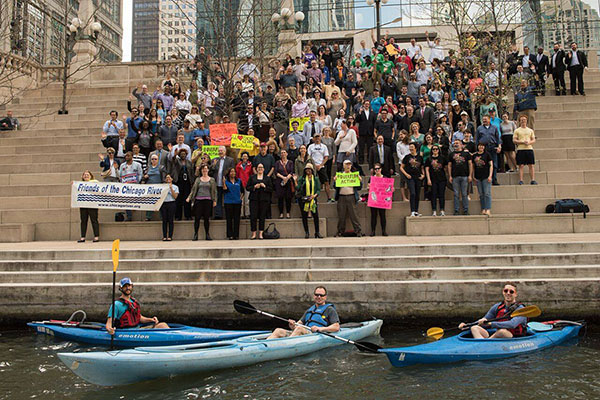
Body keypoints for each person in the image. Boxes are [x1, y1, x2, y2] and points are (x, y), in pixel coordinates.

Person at [267, 286, 340, 339]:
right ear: (314, 296)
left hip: (315, 335)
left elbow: (336, 327)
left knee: (300, 329)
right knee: (278, 330)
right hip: (303, 334)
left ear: (325, 297)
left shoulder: (330, 310)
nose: (319, 297)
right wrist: (292, 325)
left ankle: (286, 345)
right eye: (316, 295)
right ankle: (267, 346)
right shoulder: (310, 310)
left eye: (321, 295)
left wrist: (321, 329)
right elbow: (298, 324)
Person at [458, 282, 526, 339]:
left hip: (514, 338)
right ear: (503, 292)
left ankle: (484, 344)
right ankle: (482, 344)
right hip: (497, 336)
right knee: (474, 328)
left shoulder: (521, 309)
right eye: (506, 291)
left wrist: (491, 324)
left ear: (515, 294)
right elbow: (485, 319)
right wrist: (467, 326)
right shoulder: (497, 307)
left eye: (511, 292)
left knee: (502, 332)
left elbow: (512, 324)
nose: (508, 293)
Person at [333, 159, 363, 237]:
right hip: (341, 196)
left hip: (351, 196)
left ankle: (358, 231)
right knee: (341, 215)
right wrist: (335, 181)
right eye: (346, 164)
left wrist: (360, 181)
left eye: (349, 164)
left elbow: (359, 187)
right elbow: (335, 187)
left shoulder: (354, 175)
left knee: (354, 215)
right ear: (343, 166)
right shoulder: (340, 175)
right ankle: (340, 231)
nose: (348, 166)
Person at [187, 164, 217, 241]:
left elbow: (214, 191)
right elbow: (194, 189)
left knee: (206, 218)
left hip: (208, 200)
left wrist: (214, 200)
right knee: (197, 218)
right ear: (201, 171)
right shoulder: (198, 179)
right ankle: (195, 234)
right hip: (199, 200)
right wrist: (189, 197)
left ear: (208, 170)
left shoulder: (212, 180)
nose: (205, 170)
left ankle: (207, 234)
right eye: (203, 169)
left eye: (206, 169)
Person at [246, 163, 274, 240]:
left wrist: (264, 186)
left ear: (264, 169)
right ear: (256, 169)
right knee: (253, 216)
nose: (260, 169)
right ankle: (254, 233)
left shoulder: (267, 178)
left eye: (261, 167)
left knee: (262, 216)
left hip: (264, 199)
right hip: (254, 199)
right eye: (259, 167)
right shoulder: (252, 177)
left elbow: (271, 189)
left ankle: (261, 233)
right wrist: (254, 187)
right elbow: (247, 187)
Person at [297, 163, 323, 239]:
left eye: (309, 169)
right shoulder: (302, 178)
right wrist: (295, 181)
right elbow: (298, 188)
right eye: (306, 169)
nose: (308, 171)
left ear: (312, 170)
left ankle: (317, 232)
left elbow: (318, 190)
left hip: (312, 198)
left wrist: (314, 196)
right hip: (304, 199)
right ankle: (307, 232)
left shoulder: (316, 179)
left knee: (315, 216)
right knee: (304, 216)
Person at [448, 139, 473, 215]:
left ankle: (466, 210)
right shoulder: (451, 154)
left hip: (464, 176)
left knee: (464, 194)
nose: (456, 144)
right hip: (455, 176)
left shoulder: (466, 154)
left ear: (461, 144)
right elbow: (449, 166)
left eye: (457, 143)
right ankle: (456, 210)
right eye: (454, 143)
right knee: (456, 194)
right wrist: (450, 176)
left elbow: (470, 164)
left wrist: (470, 175)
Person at [210, 146, 235, 219]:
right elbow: (211, 172)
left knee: (228, 199)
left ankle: (229, 215)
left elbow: (232, 171)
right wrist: (213, 165)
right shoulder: (214, 160)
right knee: (218, 199)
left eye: (222, 151)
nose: (220, 152)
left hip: (226, 183)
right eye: (219, 151)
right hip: (217, 183)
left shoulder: (230, 160)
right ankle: (218, 215)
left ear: (225, 152)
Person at [401, 143, 424, 217]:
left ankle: (416, 211)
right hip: (410, 177)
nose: (410, 148)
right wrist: (406, 174)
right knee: (413, 193)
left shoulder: (420, 157)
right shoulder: (407, 157)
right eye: (410, 147)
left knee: (417, 194)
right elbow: (401, 167)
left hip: (418, 177)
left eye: (412, 147)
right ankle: (412, 211)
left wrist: (423, 175)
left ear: (415, 148)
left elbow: (422, 167)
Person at [119, 152, 143, 221]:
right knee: (127, 200)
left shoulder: (137, 165)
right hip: (126, 186)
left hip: (134, 185)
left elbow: (140, 174)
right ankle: (129, 216)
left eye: (128, 156)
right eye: (126, 156)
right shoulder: (122, 165)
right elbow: (120, 175)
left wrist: (137, 182)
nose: (127, 157)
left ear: (132, 156)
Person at [513, 115, 537, 185]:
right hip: (521, 149)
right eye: (522, 120)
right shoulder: (517, 130)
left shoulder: (530, 130)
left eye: (524, 120)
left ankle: (533, 179)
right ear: (520, 121)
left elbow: (533, 139)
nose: (523, 121)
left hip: (529, 149)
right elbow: (514, 140)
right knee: (521, 165)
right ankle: (521, 180)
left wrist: (529, 143)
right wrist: (522, 142)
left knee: (531, 165)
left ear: (526, 121)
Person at [77, 170, 100, 243]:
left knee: (94, 220)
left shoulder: (95, 182)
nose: (86, 176)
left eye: (87, 175)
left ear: (91, 176)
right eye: (85, 175)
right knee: (83, 221)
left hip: (92, 205)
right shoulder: (79, 184)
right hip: (83, 205)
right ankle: (82, 237)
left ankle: (96, 236)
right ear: (82, 177)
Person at [425, 145, 447, 216]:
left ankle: (442, 210)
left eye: (436, 149)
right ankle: (434, 210)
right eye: (433, 149)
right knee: (433, 195)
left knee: (442, 195)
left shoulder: (442, 158)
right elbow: (427, 169)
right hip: (433, 179)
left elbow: (446, 167)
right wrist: (428, 179)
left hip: (442, 179)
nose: (435, 150)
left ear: (438, 150)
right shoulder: (429, 159)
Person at [472, 142, 494, 216]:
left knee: (487, 193)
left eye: (482, 146)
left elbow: (491, 165)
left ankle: (488, 209)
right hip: (478, 177)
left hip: (486, 176)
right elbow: (473, 166)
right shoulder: (474, 155)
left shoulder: (487, 154)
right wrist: (473, 175)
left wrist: (490, 176)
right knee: (481, 194)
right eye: (479, 146)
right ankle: (483, 208)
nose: (481, 147)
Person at [368, 163, 388, 236]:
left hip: (382, 200)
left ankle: (384, 231)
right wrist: (369, 187)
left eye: (378, 168)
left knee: (382, 215)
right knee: (373, 215)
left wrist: (391, 189)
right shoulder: (371, 178)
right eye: (375, 169)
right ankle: (373, 231)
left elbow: (388, 189)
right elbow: (368, 188)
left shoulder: (385, 178)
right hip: (374, 199)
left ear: (381, 169)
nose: (377, 170)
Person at [223, 167, 243, 240]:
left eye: (234, 172)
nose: (233, 173)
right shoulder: (226, 181)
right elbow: (225, 190)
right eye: (231, 172)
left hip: (237, 202)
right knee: (229, 219)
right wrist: (223, 182)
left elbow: (242, 191)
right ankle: (230, 235)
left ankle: (236, 235)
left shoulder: (239, 181)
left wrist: (240, 198)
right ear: (229, 173)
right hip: (228, 202)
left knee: (236, 219)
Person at [274, 149, 295, 219]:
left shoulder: (290, 162)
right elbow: (276, 172)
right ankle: (281, 213)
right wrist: (283, 177)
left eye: (284, 152)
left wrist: (287, 178)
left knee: (288, 198)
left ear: (287, 154)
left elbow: (292, 171)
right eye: (282, 153)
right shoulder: (277, 163)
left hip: (288, 181)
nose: (283, 154)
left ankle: (288, 213)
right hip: (280, 181)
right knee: (280, 198)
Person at [160, 174, 178, 241]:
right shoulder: (162, 187)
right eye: (167, 178)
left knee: (170, 220)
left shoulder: (175, 187)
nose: (168, 179)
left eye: (169, 177)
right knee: (164, 220)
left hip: (171, 203)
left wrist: (170, 188)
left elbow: (175, 196)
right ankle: (164, 235)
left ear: (172, 179)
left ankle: (170, 236)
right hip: (164, 203)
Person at [235, 152, 253, 219]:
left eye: (246, 156)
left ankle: (247, 214)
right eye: (243, 156)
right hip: (240, 185)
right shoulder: (238, 166)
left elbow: (251, 174)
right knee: (241, 201)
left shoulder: (250, 165)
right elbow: (236, 175)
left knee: (247, 201)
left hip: (248, 184)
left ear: (248, 157)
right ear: (241, 157)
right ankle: (241, 214)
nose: (245, 157)